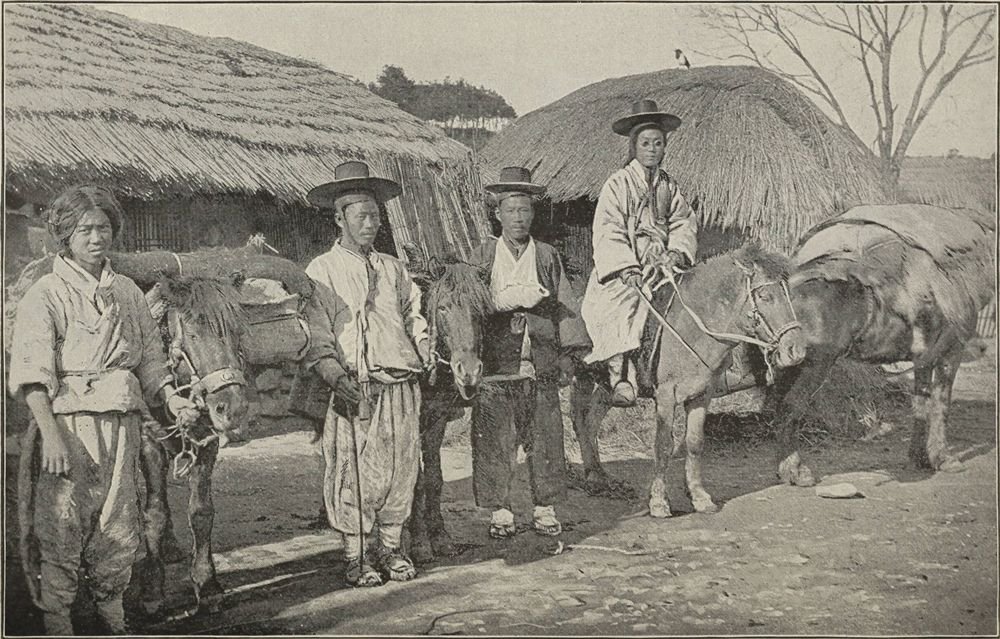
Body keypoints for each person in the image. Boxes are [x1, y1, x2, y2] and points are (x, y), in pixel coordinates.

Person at [8, 185, 200, 635]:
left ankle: (111, 612)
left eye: (104, 229)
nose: (96, 238)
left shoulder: (128, 292)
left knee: (117, 519)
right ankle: (58, 619)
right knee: (63, 521)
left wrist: (172, 398)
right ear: (65, 235)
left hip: (123, 420)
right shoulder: (47, 293)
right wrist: (51, 435)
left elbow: (151, 359)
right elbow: (34, 374)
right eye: (85, 230)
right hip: (69, 425)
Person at [304, 161, 432, 587]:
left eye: (375, 215)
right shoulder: (321, 270)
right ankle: (356, 556)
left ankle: (392, 548)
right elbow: (316, 329)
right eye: (360, 215)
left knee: (399, 468)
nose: (370, 223)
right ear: (339, 218)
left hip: (401, 380)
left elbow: (414, 314)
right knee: (354, 470)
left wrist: (425, 346)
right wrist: (334, 373)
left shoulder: (394, 268)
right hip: (353, 383)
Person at [468, 166, 588, 539]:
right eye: (511, 210)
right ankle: (500, 508)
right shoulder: (484, 255)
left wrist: (568, 354)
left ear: (533, 214)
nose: (519, 218)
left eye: (526, 210)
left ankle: (544, 506)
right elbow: (468, 305)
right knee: (495, 437)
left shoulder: (548, 256)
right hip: (496, 364)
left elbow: (565, 306)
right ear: (498, 214)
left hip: (538, 361)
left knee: (546, 435)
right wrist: (501, 304)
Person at [581, 99, 699, 408]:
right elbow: (609, 228)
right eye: (645, 143)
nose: (652, 149)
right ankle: (621, 374)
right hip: (627, 267)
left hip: (662, 263)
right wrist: (626, 267)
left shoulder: (668, 185)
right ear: (634, 147)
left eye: (658, 143)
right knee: (628, 302)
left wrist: (676, 251)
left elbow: (683, 220)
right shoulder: (618, 184)